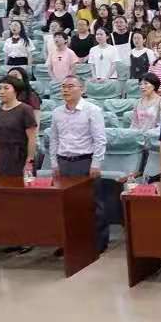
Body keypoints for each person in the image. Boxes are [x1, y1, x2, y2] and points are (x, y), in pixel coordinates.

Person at [49, 75, 108, 249]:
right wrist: (54, 163)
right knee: (66, 204)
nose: (65, 90)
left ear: (82, 89)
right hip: (63, 162)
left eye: (70, 86)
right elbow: (54, 139)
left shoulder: (92, 110)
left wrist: (96, 163)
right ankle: (71, 243)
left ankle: (98, 243)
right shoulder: (57, 112)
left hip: (85, 162)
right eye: (63, 86)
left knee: (92, 203)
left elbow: (100, 139)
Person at [0, 76, 37, 176]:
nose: (2, 92)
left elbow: (32, 138)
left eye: (6, 88)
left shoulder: (25, 109)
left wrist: (29, 161)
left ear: (16, 91)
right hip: (1, 157)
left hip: (19, 156)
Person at [129, 73, 161, 139]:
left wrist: (148, 134)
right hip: (139, 139)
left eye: (146, 83)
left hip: (154, 139)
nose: (142, 87)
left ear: (154, 85)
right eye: (140, 84)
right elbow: (134, 124)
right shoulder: (138, 102)